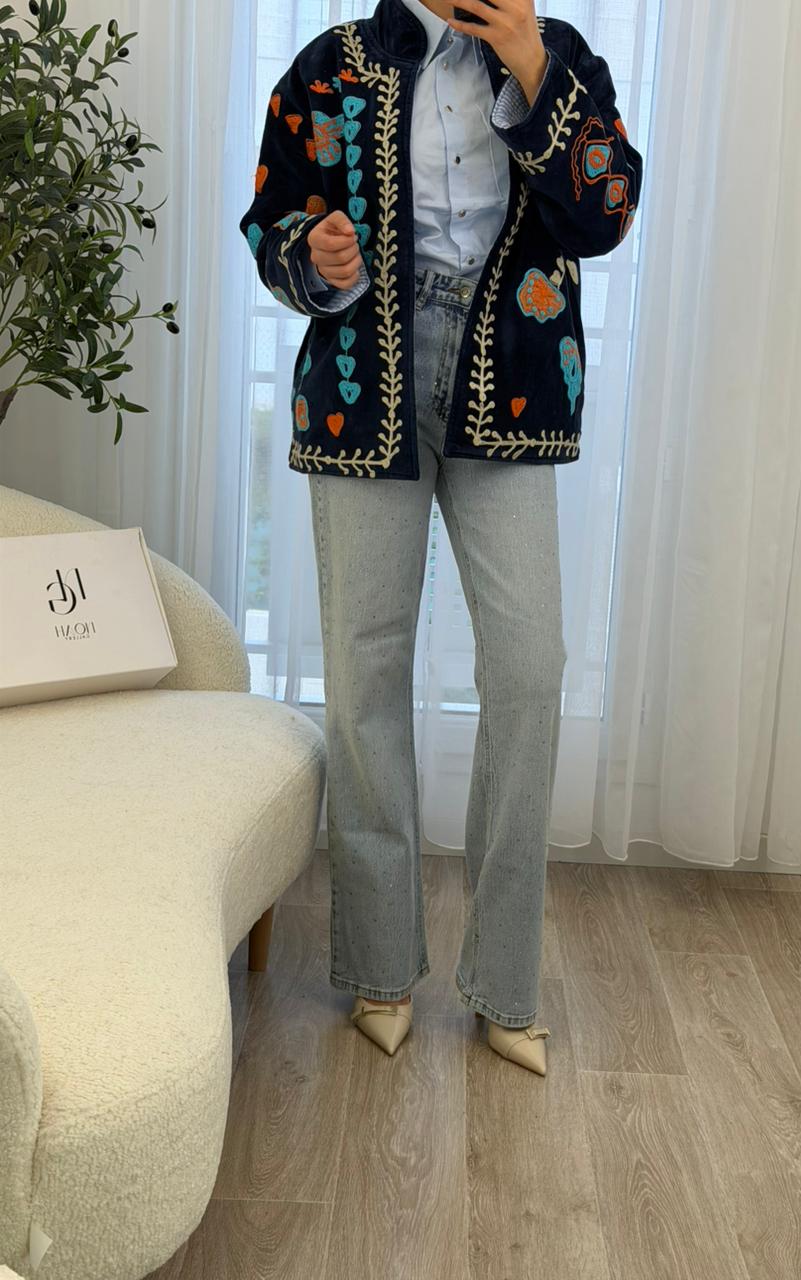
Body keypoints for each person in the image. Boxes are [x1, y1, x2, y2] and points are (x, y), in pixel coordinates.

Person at [240, 0, 642, 1077]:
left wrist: (529, 64)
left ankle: (505, 981)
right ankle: (380, 967)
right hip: (361, 381)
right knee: (365, 668)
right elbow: (268, 224)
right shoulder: (328, 66)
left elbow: (606, 211)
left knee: (529, 667)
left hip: (512, 376)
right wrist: (314, 256)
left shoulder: (559, 56)